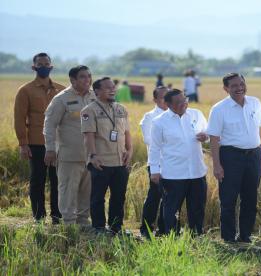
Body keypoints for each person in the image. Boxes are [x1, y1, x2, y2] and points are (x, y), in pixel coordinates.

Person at [207, 73, 261, 243]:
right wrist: (217, 165)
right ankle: (228, 238)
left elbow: (260, 128)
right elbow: (214, 138)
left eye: (241, 84)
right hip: (231, 156)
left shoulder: (255, 102)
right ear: (226, 88)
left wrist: (258, 150)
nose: (239, 88)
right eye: (234, 86)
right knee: (228, 199)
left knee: (250, 198)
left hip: (253, 156)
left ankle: (245, 235)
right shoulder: (219, 109)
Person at [149, 89, 208, 235]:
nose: (184, 104)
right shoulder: (159, 122)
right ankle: (172, 237)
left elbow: (207, 131)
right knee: (171, 209)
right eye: (179, 102)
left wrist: (205, 136)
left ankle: (196, 236)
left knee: (197, 207)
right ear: (168, 104)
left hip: (197, 171)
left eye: (185, 100)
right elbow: (154, 148)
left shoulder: (196, 114)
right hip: (173, 174)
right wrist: (154, 171)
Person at [14, 52, 64, 224]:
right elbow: (19, 118)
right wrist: (23, 144)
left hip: (58, 143)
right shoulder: (25, 90)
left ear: (51, 66)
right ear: (34, 67)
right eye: (40, 64)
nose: (44, 67)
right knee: (38, 180)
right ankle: (39, 217)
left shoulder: (61, 90)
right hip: (36, 142)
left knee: (58, 180)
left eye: (47, 63)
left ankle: (58, 216)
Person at [43, 65, 95, 226]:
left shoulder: (95, 97)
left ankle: (83, 224)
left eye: (89, 76)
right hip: (69, 156)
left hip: (91, 157)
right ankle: (68, 225)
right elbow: (49, 125)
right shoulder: (61, 99)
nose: (87, 80)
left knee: (87, 193)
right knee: (68, 192)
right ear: (72, 80)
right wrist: (50, 149)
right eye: (82, 77)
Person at [81, 77, 133, 234]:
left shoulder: (121, 109)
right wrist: (93, 155)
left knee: (119, 197)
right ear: (96, 91)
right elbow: (88, 136)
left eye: (113, 87)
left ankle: (116, 227)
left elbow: (127, 133)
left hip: (120, 161)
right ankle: (98, 227)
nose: (112, 90)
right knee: (98, 198)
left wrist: (129, 151)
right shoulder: (89, 110)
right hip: (101, 162)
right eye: (107, 88)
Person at [139, 86, 169, 238]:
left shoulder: (176, 114)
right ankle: (146, 228)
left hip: (173, 164)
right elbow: (149, 140)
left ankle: (164, 229)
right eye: (164, 97)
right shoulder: (149, 117)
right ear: (155, 100)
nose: (167, 99)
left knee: (169, 197)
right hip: (157, 163)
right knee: (154, 196)